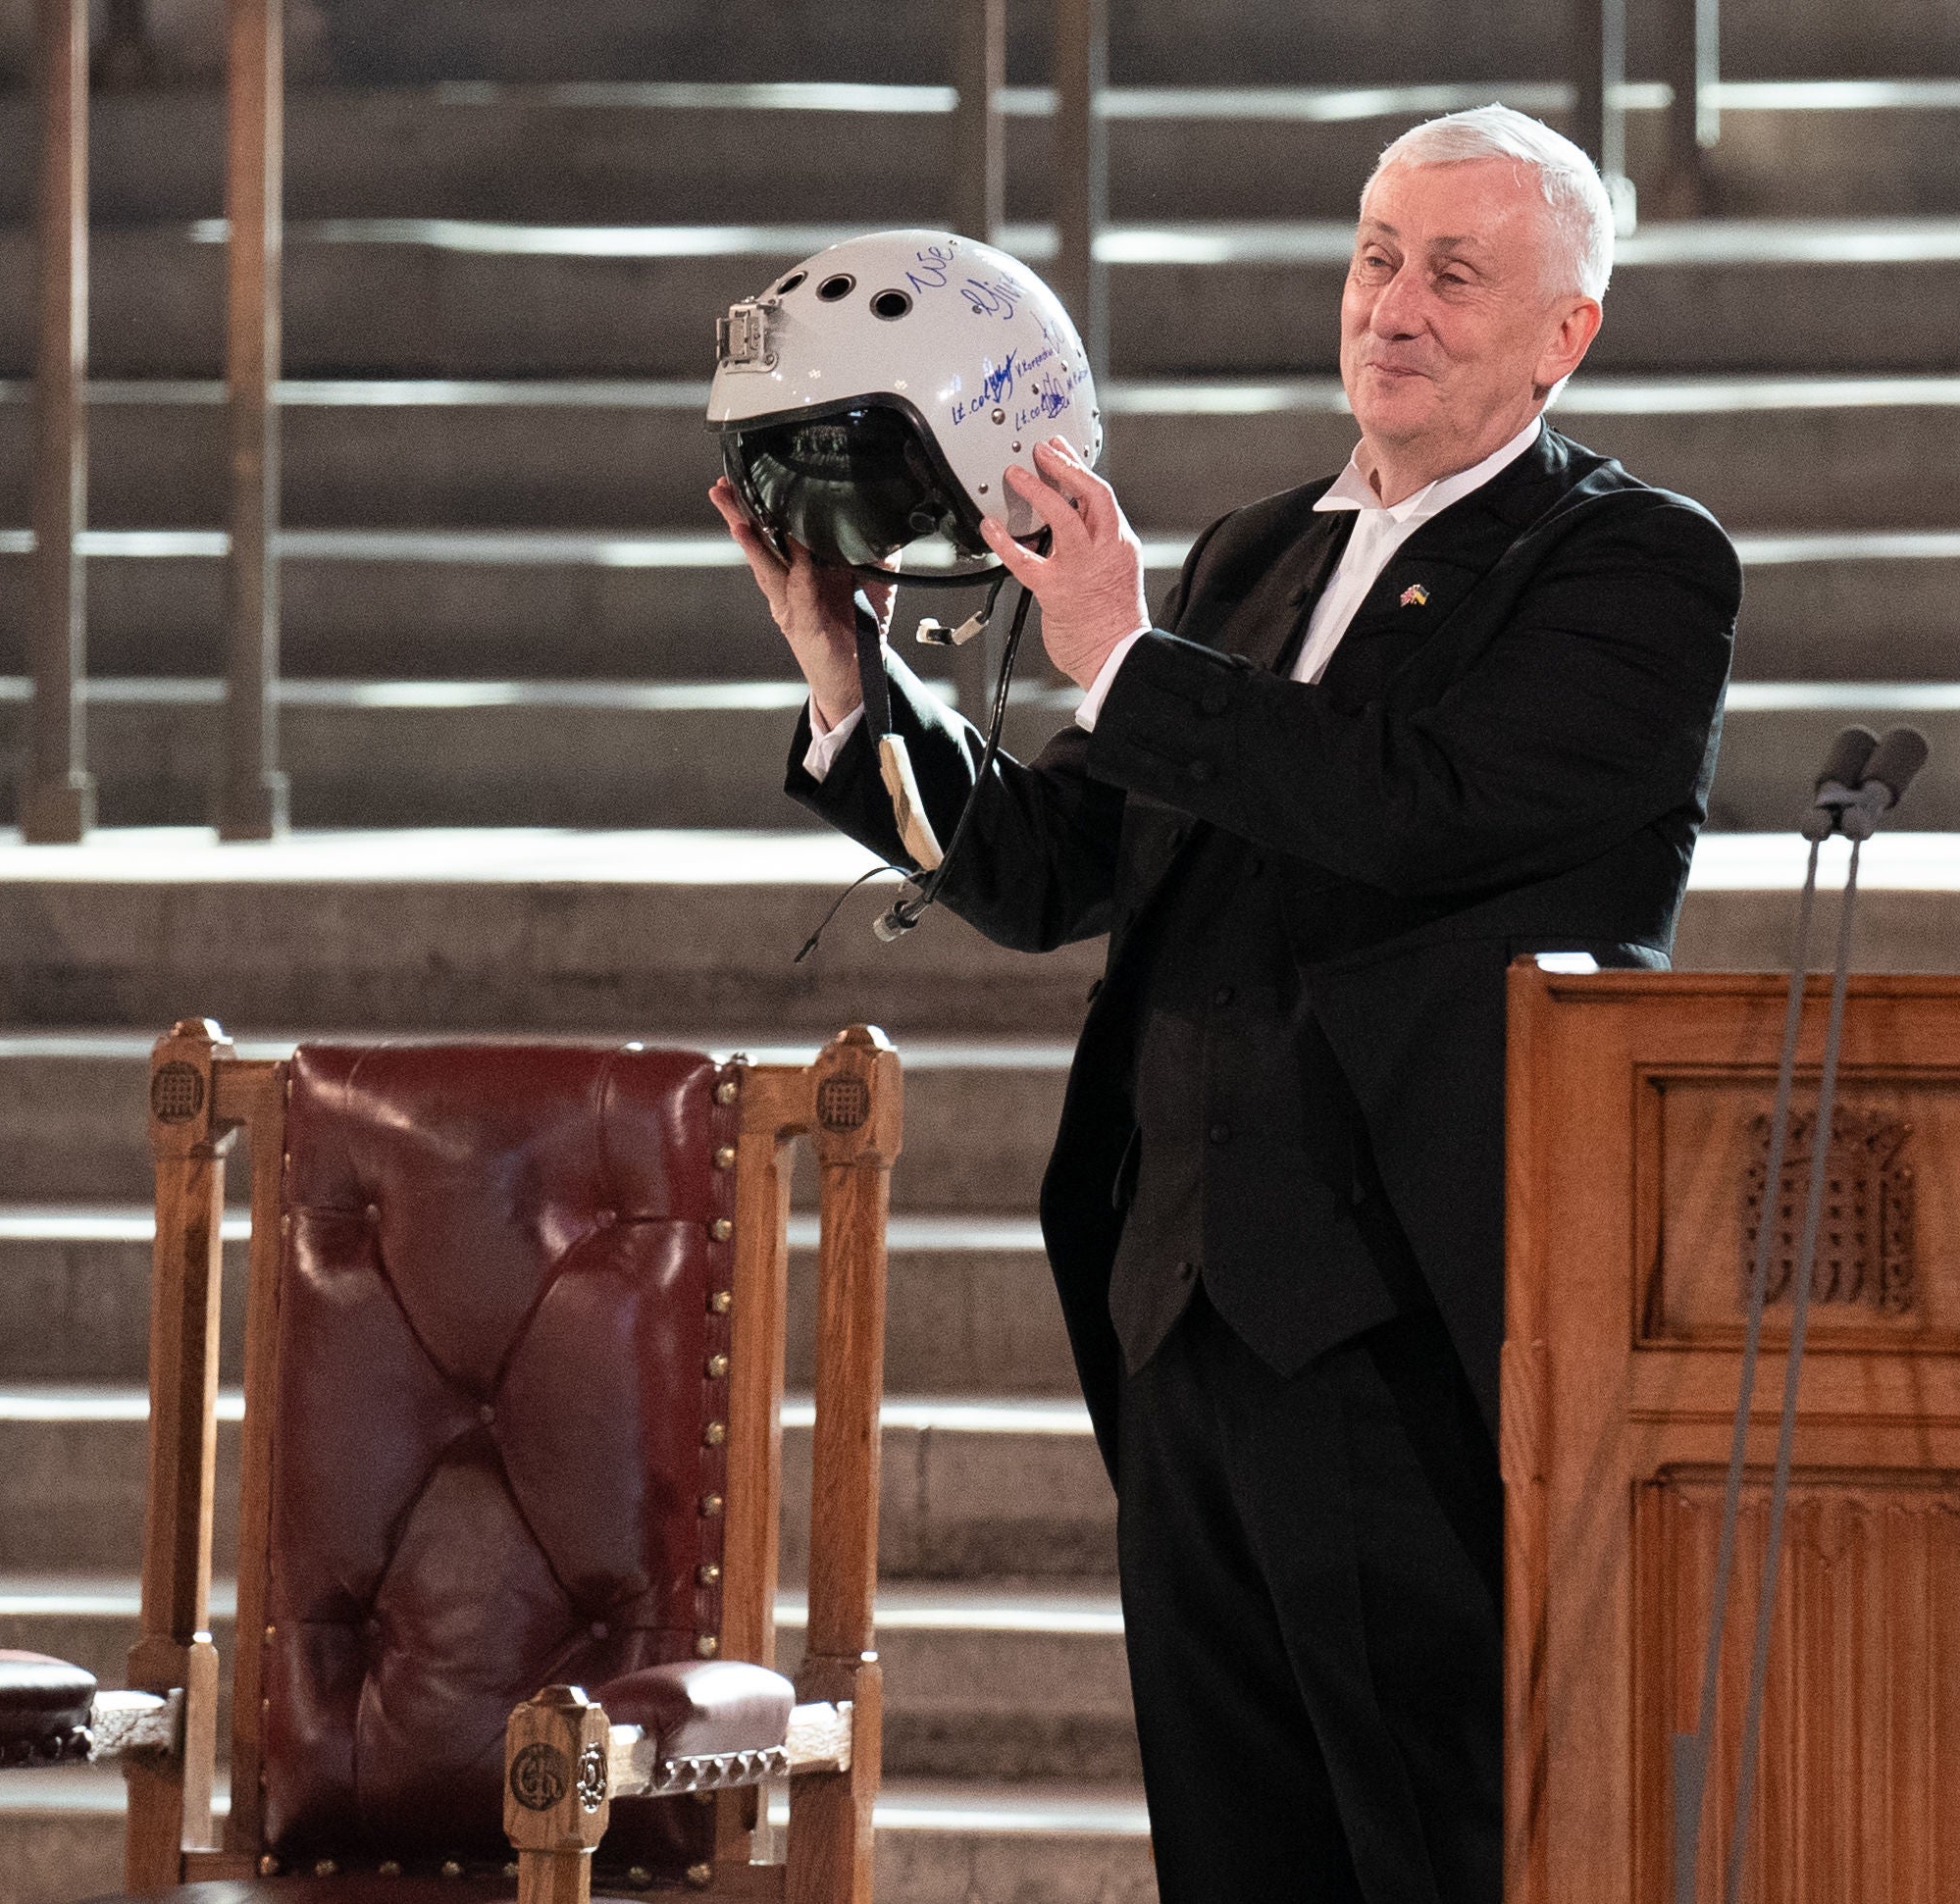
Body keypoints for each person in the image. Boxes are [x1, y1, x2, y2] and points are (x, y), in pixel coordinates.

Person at [712, 106, 1739, 1903]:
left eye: (1451, 272)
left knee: (1438, 1850)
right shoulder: (1252, 560)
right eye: (1372, 257)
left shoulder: (1634, 566)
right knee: (1234, 1859)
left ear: (1567, 331)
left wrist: (1121, 655)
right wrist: (852, 687)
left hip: (1412, 1323)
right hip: (1182, 1315)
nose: (1393, 307)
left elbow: (1410, 810)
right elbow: (1053, 869)